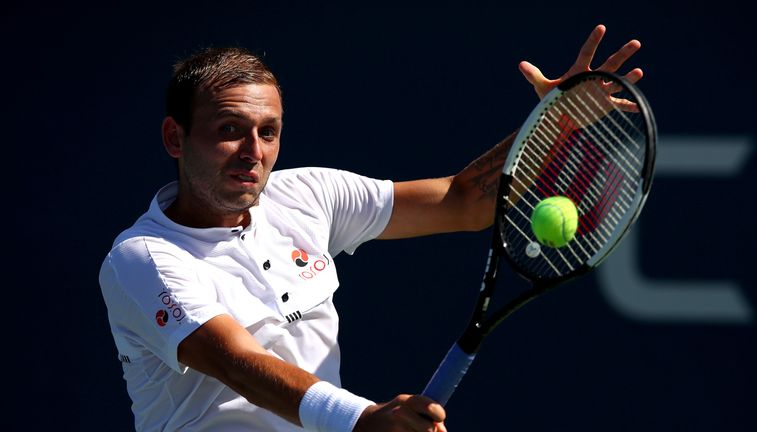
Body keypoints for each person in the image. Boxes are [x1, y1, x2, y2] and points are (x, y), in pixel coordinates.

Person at [99, 24, 642, 432]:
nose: (253, 152)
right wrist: (363, 418)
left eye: (269, 132)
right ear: (176, 138)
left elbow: (461, 200)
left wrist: (556, 122)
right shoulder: (142, 259)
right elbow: (241, 364)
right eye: (229, 130)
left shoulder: (305, 195)